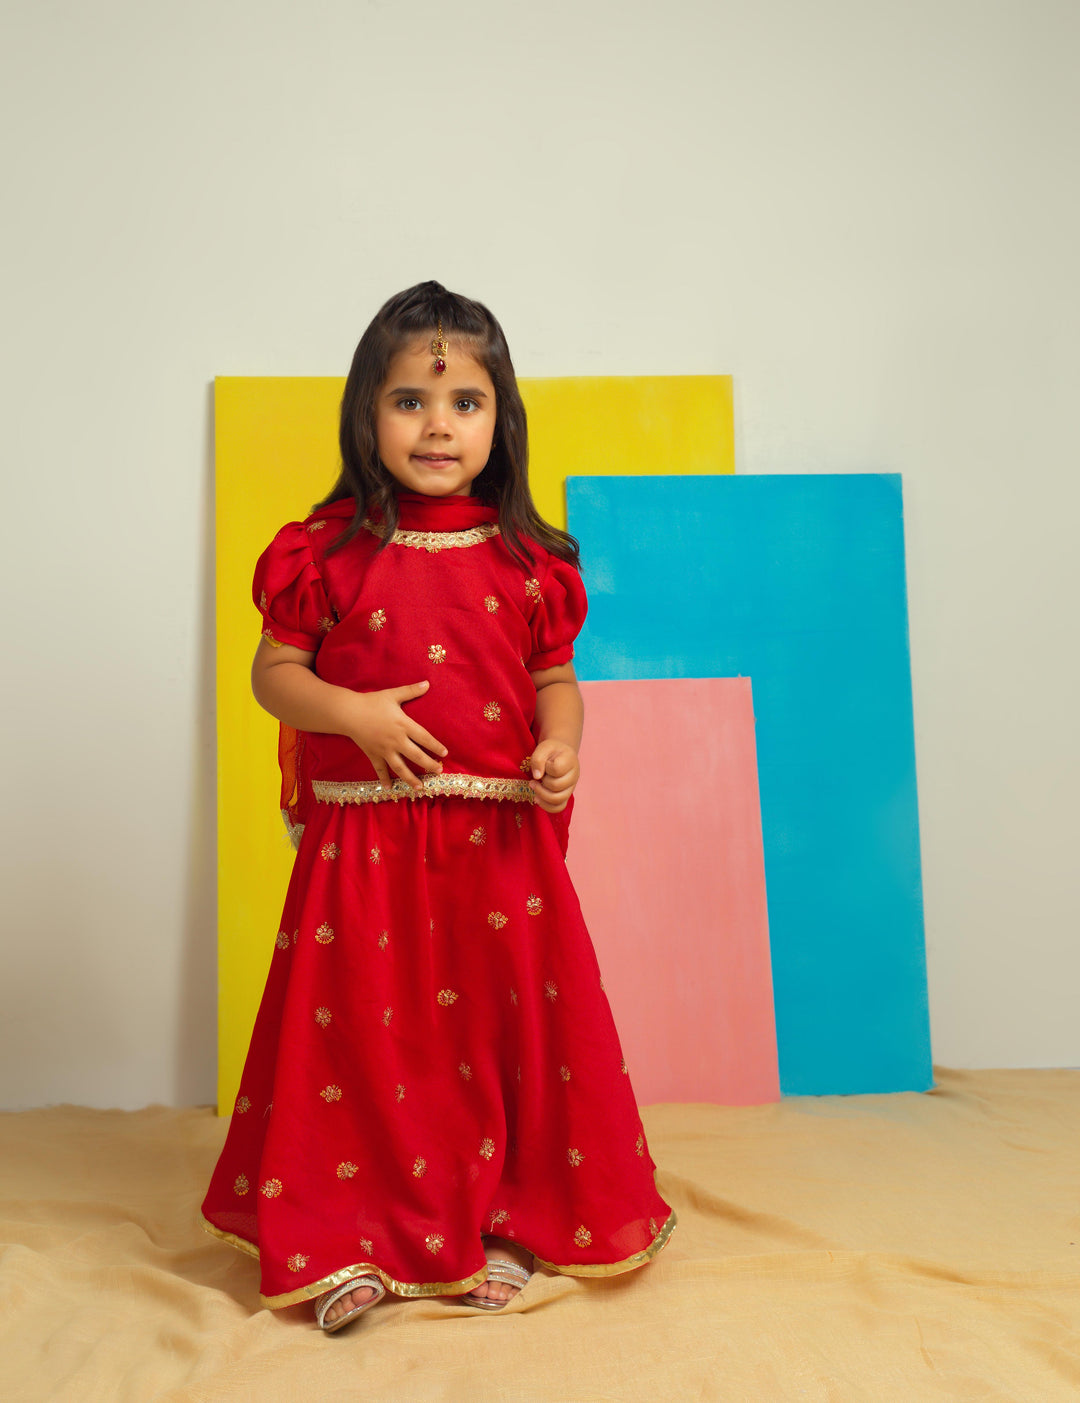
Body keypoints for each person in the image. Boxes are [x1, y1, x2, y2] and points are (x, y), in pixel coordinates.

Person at [201, 281, 676, 1332]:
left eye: (465, 401)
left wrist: (562, 743)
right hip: (366, 849)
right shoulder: (323, 552)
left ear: (501, 419)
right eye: (409, 400)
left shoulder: (530, 561)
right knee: (366, 1044)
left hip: (497, 850)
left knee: (500, 1038)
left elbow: (556, 681)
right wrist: (352, 714)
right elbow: (274, 674)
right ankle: (346, 1233)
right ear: (365, 414)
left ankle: (504, 1220)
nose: (437, 425)